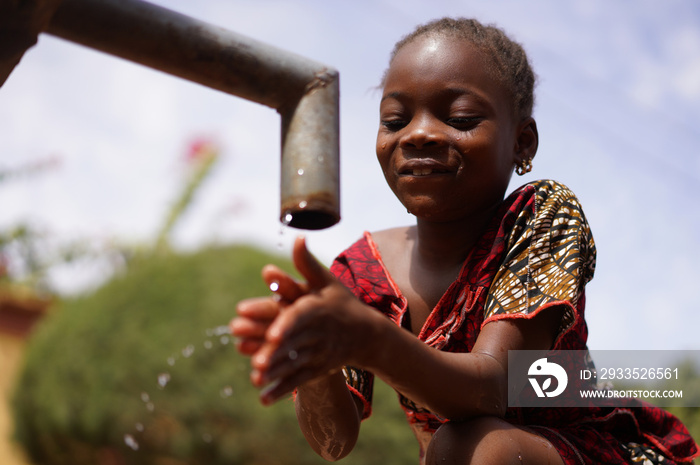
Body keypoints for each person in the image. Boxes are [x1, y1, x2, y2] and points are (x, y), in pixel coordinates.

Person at [231, 17, 698, 465]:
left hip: (585, 451)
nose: (419, 134)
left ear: (523, 143)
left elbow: (495, 387)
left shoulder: (541, 216)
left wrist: (373, 342)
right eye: (394, 121)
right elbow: (334, 443)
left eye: (460, 117)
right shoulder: (362, 271)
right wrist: (315, 363)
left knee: (470, 445)